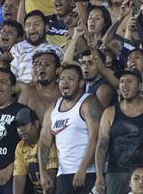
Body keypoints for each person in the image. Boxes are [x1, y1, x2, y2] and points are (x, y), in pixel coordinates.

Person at [95, 69, 143, 194]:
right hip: (116, 174)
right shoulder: (109, 112)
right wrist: (99, 175)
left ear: (139, 86)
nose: (124, 85)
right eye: (121, 82)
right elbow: (101, 146)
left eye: (129, 81)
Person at [39, 65, 103, 194]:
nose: (65, 82)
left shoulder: (89, 102)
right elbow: (44, 141)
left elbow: (95, 138)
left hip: (89, 172)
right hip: (63, 174)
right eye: (62, 79)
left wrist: (82, 169)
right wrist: (43, 172)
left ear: (81, 83)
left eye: (70, 78)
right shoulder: (53, 108)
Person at [11, 106, 58, 194]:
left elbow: (51, 176)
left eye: (24, 124)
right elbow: (18, 179)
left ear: (36, 124)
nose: (20, 129)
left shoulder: (47, 142)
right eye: (18, 126)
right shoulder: (20, 146)